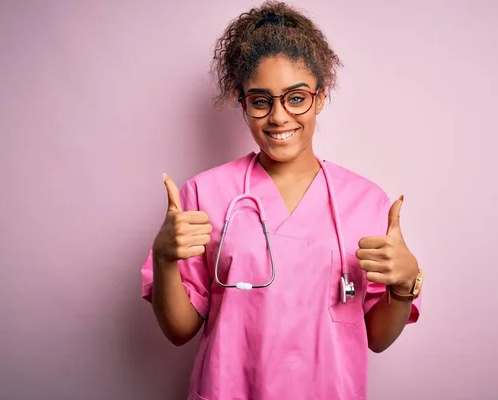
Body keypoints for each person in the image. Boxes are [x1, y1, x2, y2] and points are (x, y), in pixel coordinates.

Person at [141, 1, 423, 399]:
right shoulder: (205, 194)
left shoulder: (365, 201)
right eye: (260, 101)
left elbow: (377, 337)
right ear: (243, 104)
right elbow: (179, 330)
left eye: (295, 97)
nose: (278, 117)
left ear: (319, 98)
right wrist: (165, 258)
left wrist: (405, 285)